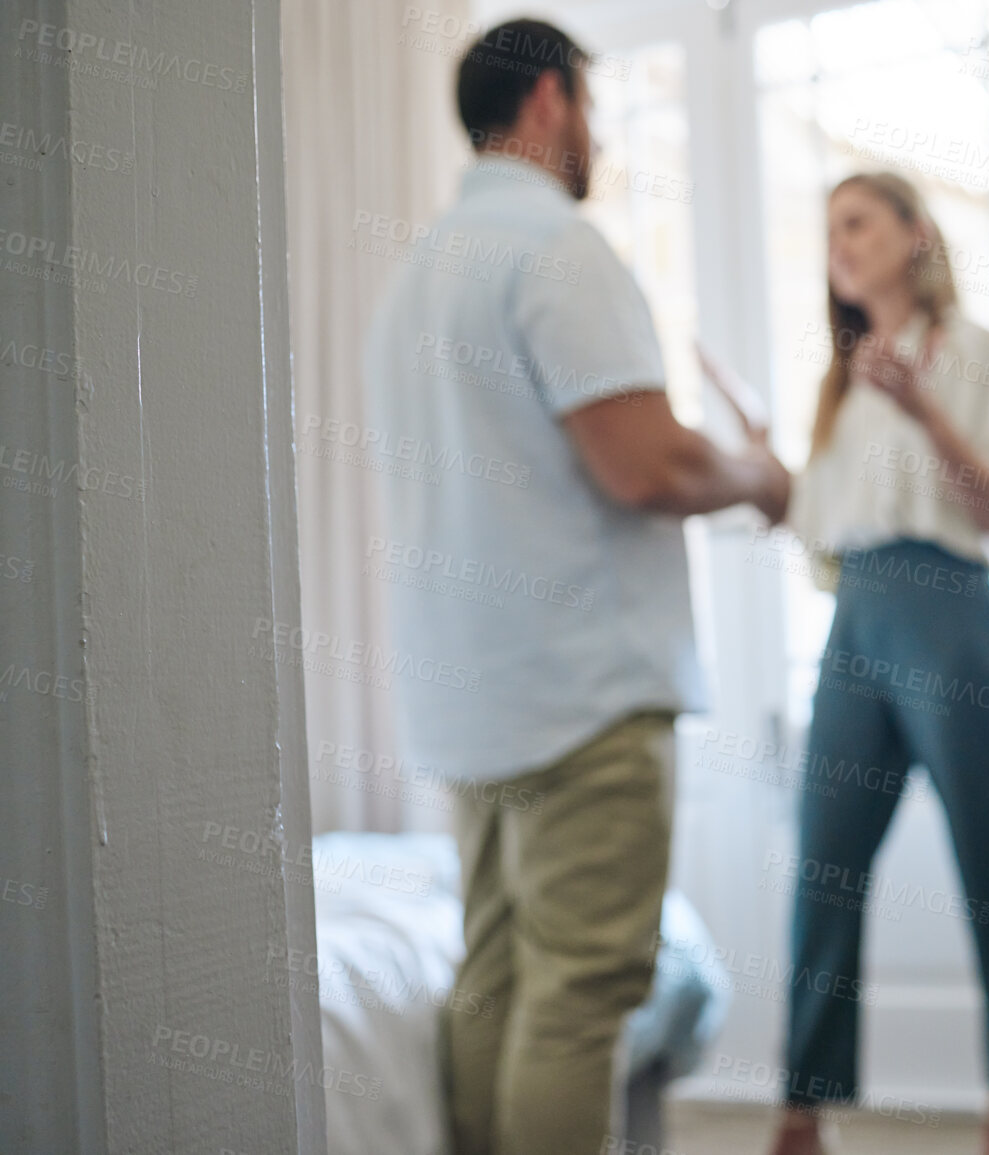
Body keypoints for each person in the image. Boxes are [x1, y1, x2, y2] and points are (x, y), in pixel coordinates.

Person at [362, 20, 789, 1155]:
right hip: (579, 696)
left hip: (470, 699)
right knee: (583, 991)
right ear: (551, 100)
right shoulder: (556, 250)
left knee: (495, 979)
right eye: (592, 108)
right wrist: (761, 474)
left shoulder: (415, 277)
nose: (594, 136)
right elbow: (644, 463)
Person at [762, 173, 989, 1155]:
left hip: (948, 611)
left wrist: (925, 408)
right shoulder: (840, 381)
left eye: (855, 221)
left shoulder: (970, 353)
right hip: (858, 618)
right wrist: (771, 475)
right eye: (828, 227)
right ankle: (802, 1106)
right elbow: (819, 531)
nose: (838, 243)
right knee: (824, 858)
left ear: (913, 235)